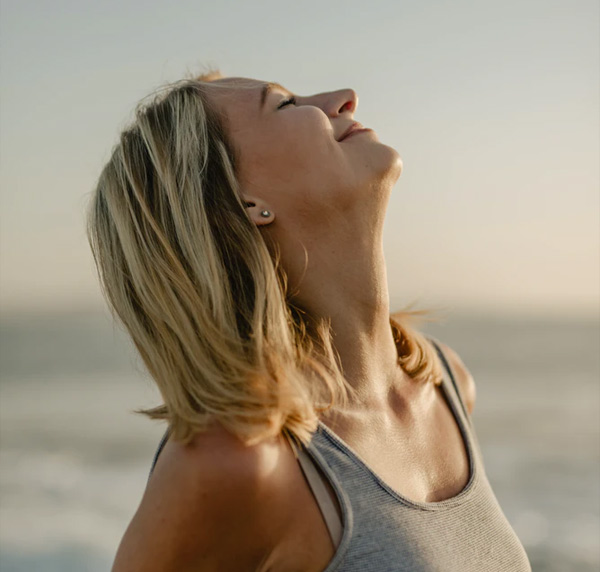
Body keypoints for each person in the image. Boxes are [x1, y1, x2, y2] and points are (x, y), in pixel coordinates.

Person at [86, 70, 531, 571]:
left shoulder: (446, 383)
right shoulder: (238, 460)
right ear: (244, 200)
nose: (344, 100)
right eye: (284, 104)